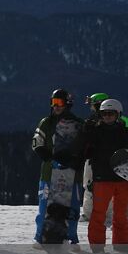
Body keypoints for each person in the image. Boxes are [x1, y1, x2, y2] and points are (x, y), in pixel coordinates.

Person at [80, 99, 128, 250]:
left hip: (122, 179)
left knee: (121, 215)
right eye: (104, 114)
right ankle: (97, 245)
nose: (107, 117)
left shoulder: (126, 132)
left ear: (118, 114)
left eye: (110, 114)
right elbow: (86, 152)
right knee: (99, 214)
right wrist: (86, 133)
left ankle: (121, 243)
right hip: (102, 178)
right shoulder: (95, 131)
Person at [32, 89, 84, 244]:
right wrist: (47, 156)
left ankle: (71, 237)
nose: (56, 106)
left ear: (67, 104)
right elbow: (37, 143)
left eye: (59, 102)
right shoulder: (46, 122)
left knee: (72, 208)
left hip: (72, 175)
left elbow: (85, 148)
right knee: (45, 208)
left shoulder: (78, 124)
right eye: (53, 102)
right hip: (49, 173)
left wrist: (76, 160)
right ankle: (40, 236)